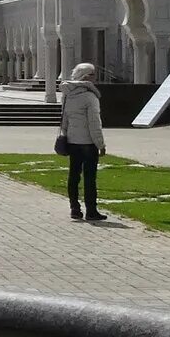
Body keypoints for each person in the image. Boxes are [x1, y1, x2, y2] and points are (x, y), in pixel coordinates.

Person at [60, 62, 106, 222]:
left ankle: (75, 208)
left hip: (73, 141)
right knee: (89, 177)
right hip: (87, 142)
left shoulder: (67, 95)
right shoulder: (90, 97)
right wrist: (100, 144)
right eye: (93, 74)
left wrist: (65, 135)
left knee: (74, 175)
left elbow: (64, 120)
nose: (95, 77)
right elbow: (95, 123)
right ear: (86, 76)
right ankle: (91, 211)